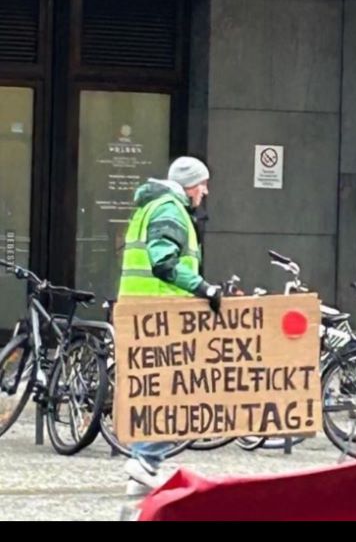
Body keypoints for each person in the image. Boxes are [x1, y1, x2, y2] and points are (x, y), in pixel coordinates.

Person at [118, 156, 222, 496]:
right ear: (190, 185)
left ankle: (142, 470)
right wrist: (203, 288)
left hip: (146, 313)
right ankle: (145, 459)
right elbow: (163, 262)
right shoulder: (169, 210)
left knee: (159, 393)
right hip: (161, 315)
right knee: (183, 392)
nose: (205, 191)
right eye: (203, 184)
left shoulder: (154, 206)